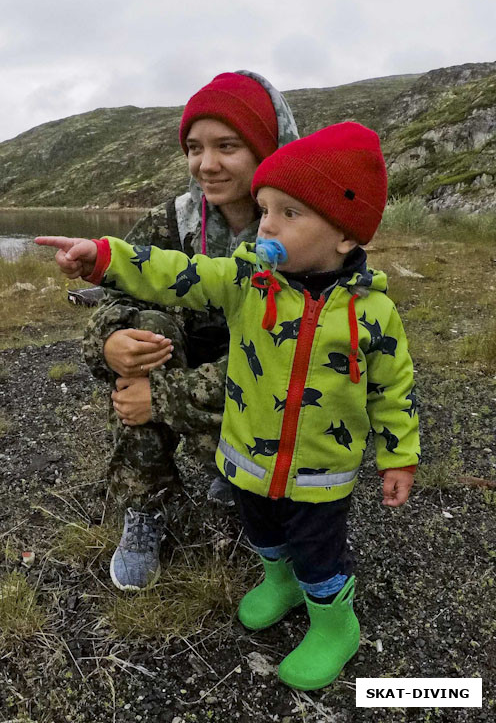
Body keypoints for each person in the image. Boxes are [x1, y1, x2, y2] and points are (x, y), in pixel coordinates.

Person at [37, 121, 420, 690]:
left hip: (322, 468)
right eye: (265, 210)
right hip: (249, 453)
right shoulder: (249, 279)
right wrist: (102, 257)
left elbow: (393, 391)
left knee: (320, 552)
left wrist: (398, 456)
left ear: (344, 234)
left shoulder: (374, 314)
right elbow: (176, 273)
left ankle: (335, 626)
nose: (266, 224)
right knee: (260, 528)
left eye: (289, 214)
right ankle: (278, 581)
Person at [81, 71, 299, 591]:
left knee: (285, 514)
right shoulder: (173, 222)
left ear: (266, 149)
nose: (206, 164)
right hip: (194, 378)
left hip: (270, 395)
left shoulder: (300, 230)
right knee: (147, 329)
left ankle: (238, 474)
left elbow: (287, 357)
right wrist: (112, 343)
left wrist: (160, 396)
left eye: (228, 146)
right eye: (195, 148)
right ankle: (148, 503)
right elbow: (115, 296)